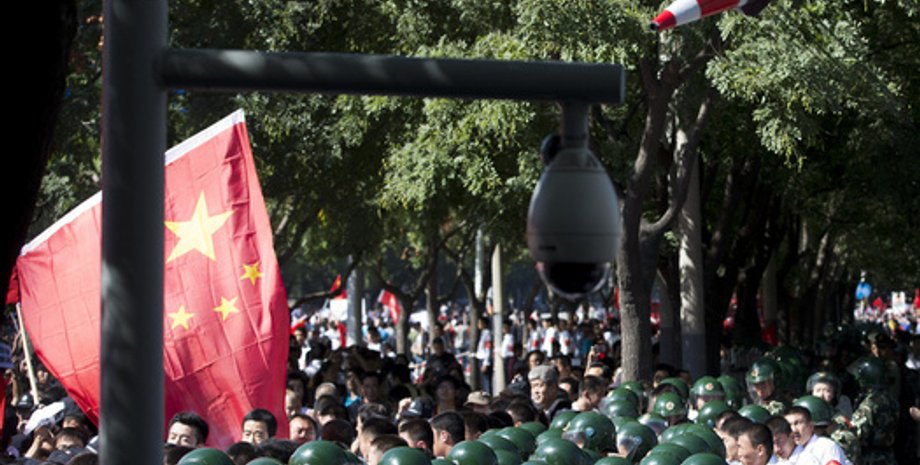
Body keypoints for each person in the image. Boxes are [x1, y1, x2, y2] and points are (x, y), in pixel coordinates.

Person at [848, 356, 897, 465]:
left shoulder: (870, 403)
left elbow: (855, 434)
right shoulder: (890, 398)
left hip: (871, 458)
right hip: (888, 456)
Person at [783, 406, 848, 465]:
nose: (794, 430)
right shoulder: (786, 451)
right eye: (789, 425)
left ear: (811, 425)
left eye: (798, 423)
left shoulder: (826, 447)